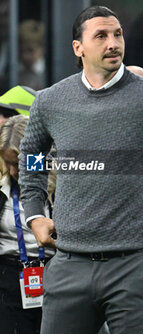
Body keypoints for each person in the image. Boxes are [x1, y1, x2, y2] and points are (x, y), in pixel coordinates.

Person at [18, 5, 143, 334]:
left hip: (134, 265)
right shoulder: (50, 101)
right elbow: (31, 157)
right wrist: (34, 213)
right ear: (78, 48)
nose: (113, 43)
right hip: (68, 263)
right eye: (101, 36)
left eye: (117, 34)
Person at [0, 115, 55, 334]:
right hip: (8, 278)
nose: (14, 171)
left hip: (55, 275)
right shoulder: (2, 189)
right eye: (8, 163)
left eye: (18, 163)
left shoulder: (63, 190)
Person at [18, 20, 46, 90]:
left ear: (42, 49)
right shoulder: (13, 72)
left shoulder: (50, 73)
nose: (25, 56)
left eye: (30, 50)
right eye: (21, 51)